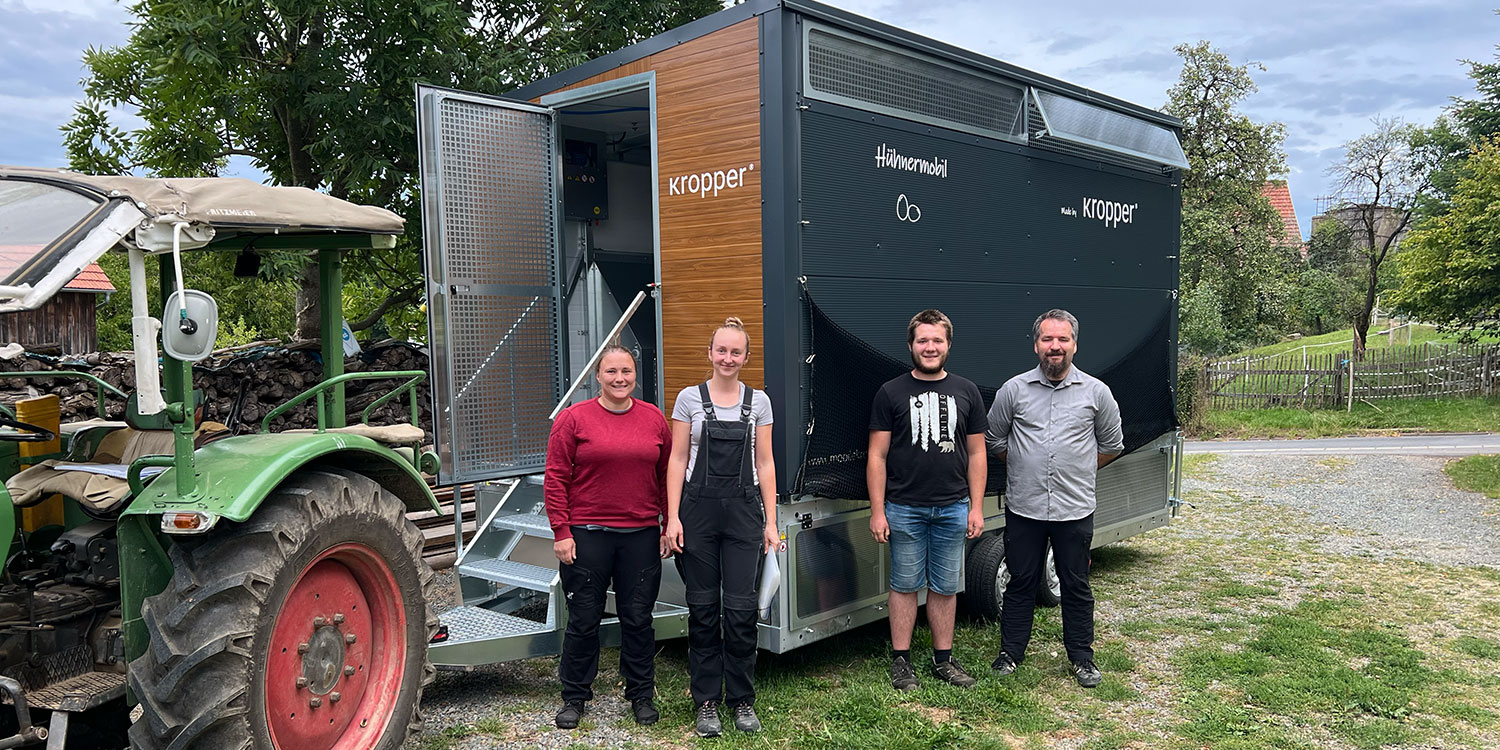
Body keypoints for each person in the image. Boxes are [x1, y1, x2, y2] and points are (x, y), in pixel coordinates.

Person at [985, 309, 1123, 688]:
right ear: (1036, 345)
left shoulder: (1096, 393)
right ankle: (1010, 653)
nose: (1055, 346)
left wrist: (1079, 469)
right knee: (1021, 582)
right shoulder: (1013, 390)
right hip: (1024, 508)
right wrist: (1024, 466)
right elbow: (994, 439)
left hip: (1074, 509)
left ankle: (1082, 658)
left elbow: (1112, 445)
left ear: (1074, 344)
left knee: (1075, 584)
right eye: (1047, 339)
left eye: (1063, 339)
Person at [544, 345, 672, 729]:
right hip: (588, 536)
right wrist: (561, 531)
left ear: (635, 375)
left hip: (640, 535)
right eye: (611, 371)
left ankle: (641, 694)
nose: (620, 379)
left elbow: (666, 476)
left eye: (626, 371)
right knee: (584, 618)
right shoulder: (573, 420)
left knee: (638, 618)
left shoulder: (653, 419)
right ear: (597, 376)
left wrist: (668, 523)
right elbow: (556, 477)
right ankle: (574, 696)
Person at [664, 317, 779, 737]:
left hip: (744, 514)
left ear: (746, 357)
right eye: (721, 350)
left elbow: (765, 463)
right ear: (710, 353)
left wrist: (771, 522)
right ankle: (707, 702)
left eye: (736, 352)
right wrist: (672, 517)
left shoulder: (759, 402)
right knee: (703, 610)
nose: (728, 358)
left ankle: (742, 699)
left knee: (741, 611)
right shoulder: (688, 399)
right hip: (698, 513)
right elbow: (677, 459)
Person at [867, 309, 987, 692]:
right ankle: (901, 662)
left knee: (946, 586)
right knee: (904, 585)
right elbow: (877, 456)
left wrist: (977, 507)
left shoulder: (968, 391)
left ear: (948, 345)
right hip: (904, 508)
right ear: (911, 345)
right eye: (923, 340)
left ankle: (943, 660)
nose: (930, 347)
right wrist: (877, 511)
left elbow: (978, 453)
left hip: (954, 506)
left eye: (937, 340)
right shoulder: (890, 393)